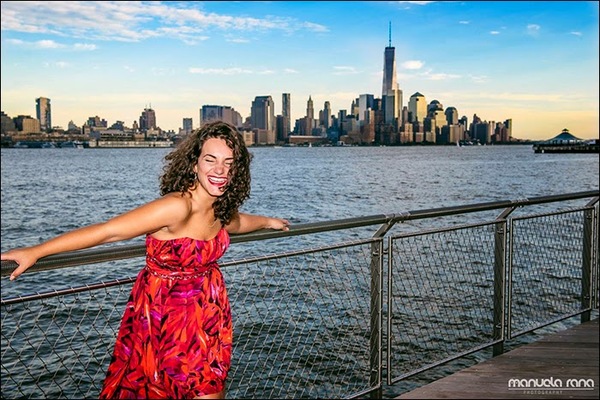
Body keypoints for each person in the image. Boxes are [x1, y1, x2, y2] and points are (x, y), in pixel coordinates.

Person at [1, 121, 290, 399]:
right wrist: (37, 251)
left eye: (228, 163)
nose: (220, 170)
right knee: (190, 389)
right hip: (167, 317)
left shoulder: (219, 209)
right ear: (194, 164)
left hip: (209, 314)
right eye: (210, 160)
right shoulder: (176, 207)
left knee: (207, 386)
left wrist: (269, 222)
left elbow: (238, 223)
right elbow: (108, 231)